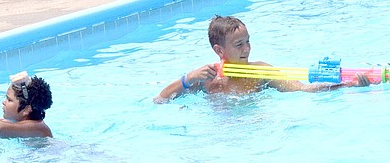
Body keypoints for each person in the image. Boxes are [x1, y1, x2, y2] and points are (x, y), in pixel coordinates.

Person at [153, 15, 369, 103]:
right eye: (239, 44)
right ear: (219, 50)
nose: (247, 48)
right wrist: (187, 79)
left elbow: (301, 89)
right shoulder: (206, 78)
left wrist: (346, 85)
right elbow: (160, 100)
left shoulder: (261, 72)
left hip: (254, 128)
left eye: (248, 41)